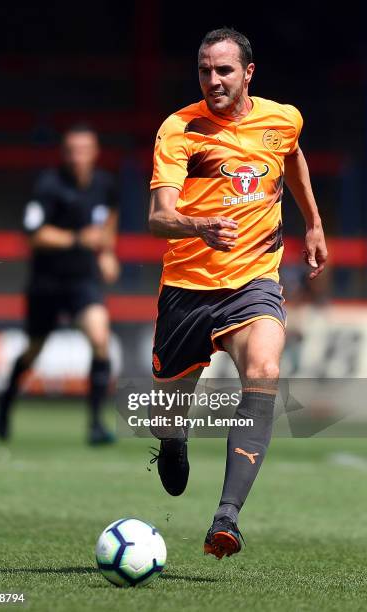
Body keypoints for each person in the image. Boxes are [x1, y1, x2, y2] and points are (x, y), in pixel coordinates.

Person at [148, 27, 327, 558]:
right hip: (187, 288)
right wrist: (198, 226)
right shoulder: (179, 128)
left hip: (254, 281)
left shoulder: (283, 119)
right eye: (204, 70)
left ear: (248, 73)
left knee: (265, 372)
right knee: (168, 416)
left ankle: (226, 517)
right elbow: (158, 217)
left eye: (223, 70)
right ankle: (172, 441)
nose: (213, 80)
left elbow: (291, 157)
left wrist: (313, 223)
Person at [0, 123, 120, 445]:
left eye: (84, 150)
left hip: (82, 282)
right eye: (72, 150)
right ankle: (6, 403)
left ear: (95, 153)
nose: (78, 156)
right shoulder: (48, 187)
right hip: (46, 284)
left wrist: (106, 251)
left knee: (100, 336)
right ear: (64, 154)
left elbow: (109, 219)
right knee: (33, 351)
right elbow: (33, 234)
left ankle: (95, 424)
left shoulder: (104, 185)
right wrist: (78, 239)